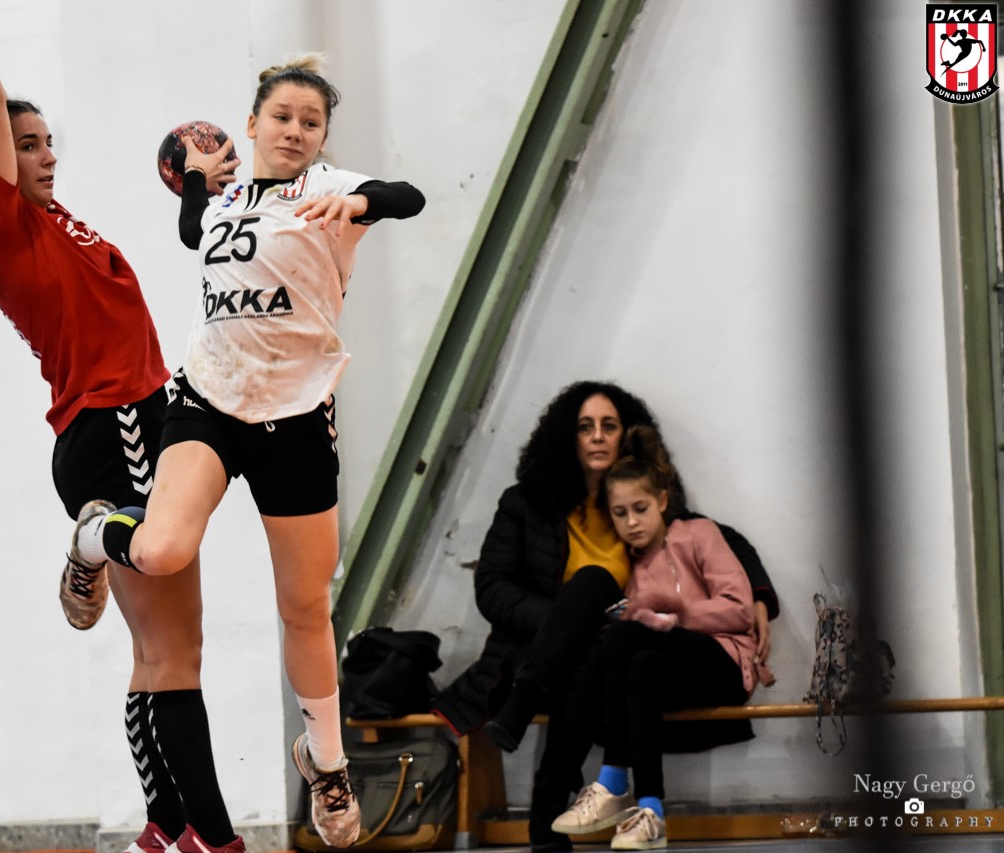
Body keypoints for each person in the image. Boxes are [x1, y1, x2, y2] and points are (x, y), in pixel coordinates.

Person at [70, 55, 425, 848]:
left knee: (304, 605)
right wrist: (197, 182)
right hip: (209, 397)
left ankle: (326, 763)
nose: (296, 130)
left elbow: (411, 196)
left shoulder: (328, 187)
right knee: (159, 550)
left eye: (311, 121)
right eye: (283, 117)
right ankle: (92, 539)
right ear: (253, 123)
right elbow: (193, 231)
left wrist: (360, 201)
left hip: (296, 413)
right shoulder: (228, 197)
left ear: (323, 136)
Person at [0, 4, 242, 853]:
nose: (46, 155)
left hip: (139, 421)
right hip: (117, 430)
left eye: (47, 143)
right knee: (174, 654)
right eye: (26, 146)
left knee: (163, 651)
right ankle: (218, 840)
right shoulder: (1, 228)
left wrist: (203, 187)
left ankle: (165, 826)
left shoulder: (59, 222)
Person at [428, 381, 778, 851]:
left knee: (595, 627)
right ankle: (562, 801)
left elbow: (718, 538)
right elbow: (491, 588)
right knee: (588, 608)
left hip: (617, 640)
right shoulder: (526, 503)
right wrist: (566, 623)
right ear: (566, 436)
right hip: (542, 646)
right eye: (584, 426)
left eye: (608, 426)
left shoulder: (633, 500)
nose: (597, 436)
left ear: (624, 435)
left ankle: (563, 802)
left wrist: (760, 596)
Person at [547, 424, 774, 850]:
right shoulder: (625, 564)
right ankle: (651, 811)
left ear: (662, 502)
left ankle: (613, 779)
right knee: (641, 663)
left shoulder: (698, 533)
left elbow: (740, 610)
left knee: (629, 635)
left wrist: (676, 614)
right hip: (668, 672)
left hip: (724, 660)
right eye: (620, 513)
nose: (632, 522)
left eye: (640, 508)